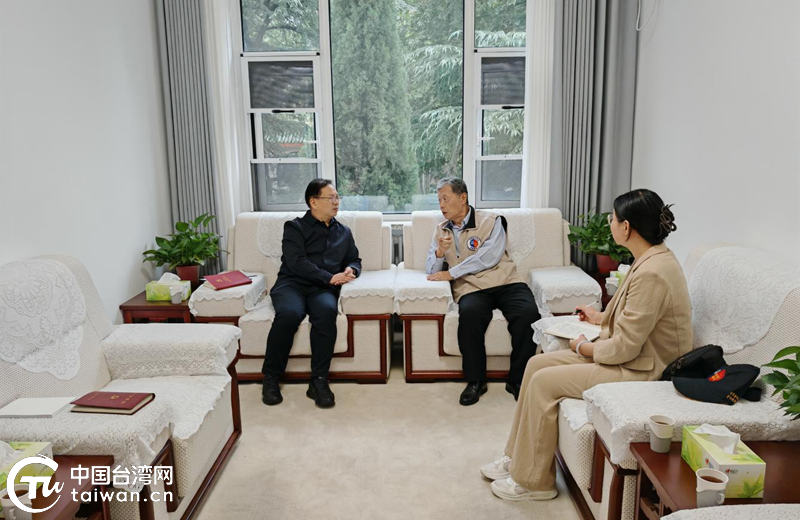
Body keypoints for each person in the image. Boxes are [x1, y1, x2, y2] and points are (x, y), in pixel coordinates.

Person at [481, 189, 693, 501]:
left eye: (613, 219)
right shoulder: (651, 258)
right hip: (634, 357)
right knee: (535, 364)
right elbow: (637, 317)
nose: (609, 223)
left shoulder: (653, 272)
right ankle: (517, 458)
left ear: (626, 227)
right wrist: (599, 318)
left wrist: (582, 347)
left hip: (643, 369)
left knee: (543, 383)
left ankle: (535, 483)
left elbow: (625, 348)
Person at [426, 177, 540, 406]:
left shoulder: (492, 220)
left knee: (528, 315)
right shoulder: (441, 229)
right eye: (439, 200)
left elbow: (489, 256)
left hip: (506, 281)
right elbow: (431, 271)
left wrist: (452, 272)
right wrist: (439, 253)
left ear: (463, 197)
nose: (441, 205)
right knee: (469, 316)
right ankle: (475, 381)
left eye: (445, 199)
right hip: (471, 287)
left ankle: (517, 380)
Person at [261, 179, 361, 409]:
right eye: (330, 197)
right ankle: (271, 377)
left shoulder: (343, 232)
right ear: (313, 202)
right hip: (292, 284)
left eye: (337, 197)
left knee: (326, 311)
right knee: (289, 314)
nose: (336, 202)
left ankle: (318, 380)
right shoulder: (294, 227)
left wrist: (351, 269)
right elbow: (296, 262)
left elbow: (354, 258)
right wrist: (329, 277)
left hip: (322, 289)